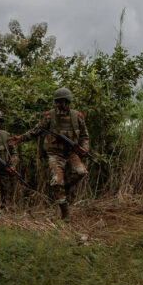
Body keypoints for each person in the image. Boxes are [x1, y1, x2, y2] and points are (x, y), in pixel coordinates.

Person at [10, 87, 88, 220]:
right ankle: (65, 213)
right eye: (57, 101)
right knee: (57, 182)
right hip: (54, 153)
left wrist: (84, 148)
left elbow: (85, 135)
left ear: (68, 101)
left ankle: (66, 187)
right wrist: (20, 138)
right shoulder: (49, 116)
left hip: (71, 152)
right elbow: (36, 131)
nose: (59, 104)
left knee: (81, 172)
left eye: (62, 101)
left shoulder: (77, 116)